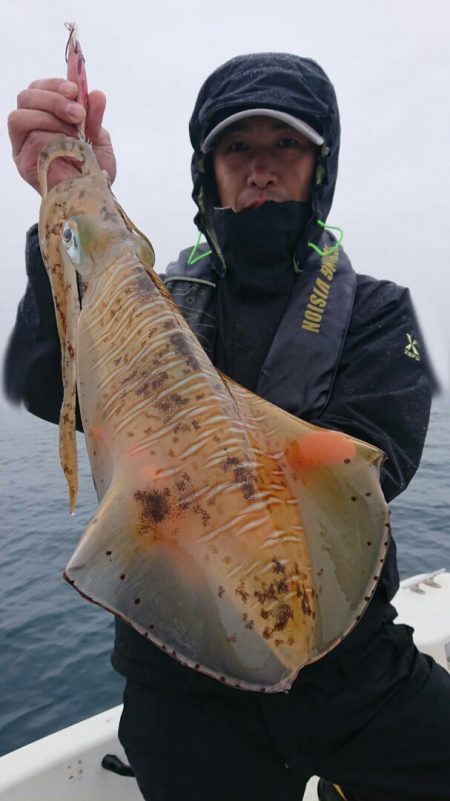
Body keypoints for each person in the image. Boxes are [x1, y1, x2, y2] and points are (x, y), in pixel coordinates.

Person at [4, 53, 450, 801]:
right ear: (206, 170)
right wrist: (74, 203)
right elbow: (49, 383)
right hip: (181, 678)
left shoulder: (379, 309)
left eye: (287, 145)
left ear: (320, 167)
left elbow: (378, 460)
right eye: (237, 147)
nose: (261, 168)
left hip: (345, 653)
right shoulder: (152, 299)